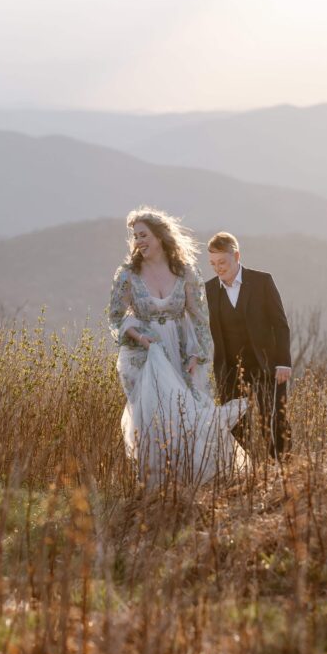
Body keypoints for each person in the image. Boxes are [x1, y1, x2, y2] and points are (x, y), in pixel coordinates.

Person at [108, 207, 248, 487]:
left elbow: (199, 317)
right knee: (154, 420)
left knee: (188, 415)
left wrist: (198, 354)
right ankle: (159, 486)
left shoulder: (185, 272)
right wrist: (140, 336)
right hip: (146, 357)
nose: (139, 241)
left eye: (144, 235)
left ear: (160, 236)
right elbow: (115, 318)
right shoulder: (127, 275)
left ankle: (196, 481)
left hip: (181, 354)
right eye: (135, 236)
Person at [205, 232, 292, 459]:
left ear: (236, 256)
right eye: (213, 263)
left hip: (266, 365)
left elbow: (280, 325)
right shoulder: (209, 290)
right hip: (229, 369)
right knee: (235, 425)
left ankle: (283, 467)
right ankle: (247, 470)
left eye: (222, 262)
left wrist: (283, 362)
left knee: (273, 420)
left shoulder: (262, 281)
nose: (218, 268)